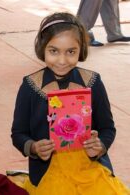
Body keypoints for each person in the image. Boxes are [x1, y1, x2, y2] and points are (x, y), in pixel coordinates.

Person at [11, 12, 130, 194]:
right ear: (42, 48)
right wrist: (34, 147)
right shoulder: (30, 86)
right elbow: (18, 134)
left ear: (80, 50)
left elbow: (108, 128)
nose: (62, 61)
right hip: (49, 172)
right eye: (53, 51)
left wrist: (99, 146)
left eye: (71, 52)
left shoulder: (93, 82)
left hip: (90, 168)